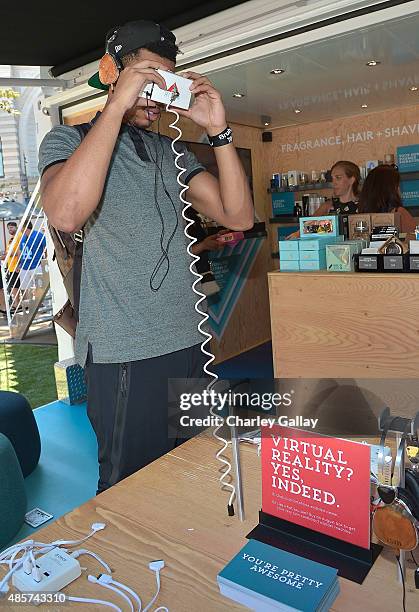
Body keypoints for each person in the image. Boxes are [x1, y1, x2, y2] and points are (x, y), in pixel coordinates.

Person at [38, 19, 254, 494]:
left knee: (195, 473)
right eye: (148, 77)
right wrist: (117, 105)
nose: (158, 95)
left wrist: (219, 132)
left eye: (167, 81)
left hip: (187, 342)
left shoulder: (167, 151)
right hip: (124, 353)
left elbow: (238, 216)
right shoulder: (69, 142)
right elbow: (66, 212)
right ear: (112, 72)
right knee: (127, 486)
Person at [287, 160, 360, 238]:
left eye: (338, 178)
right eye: (332, 178)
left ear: (352, 180)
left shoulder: (362, 205)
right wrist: (297, 234)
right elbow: (306, 228)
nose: (334, 182)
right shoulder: (327, 206)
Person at [358, 164, 416, 234]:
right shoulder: (399, 213)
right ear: (391, 189)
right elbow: (415, 241)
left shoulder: (359, 219)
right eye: (398, 186)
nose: (399, 190)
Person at [19, 222, 46, 293]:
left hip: (36, 265)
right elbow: (20, 251)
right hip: (24, 266)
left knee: (39, 286)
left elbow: (46, 247)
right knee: (25, 288)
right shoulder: (23, 237)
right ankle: (29, 303)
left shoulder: (38, 235)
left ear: (25, 227)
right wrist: (19, 264)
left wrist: (46, 260)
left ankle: (42, 303)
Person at [4, 221, 22, 308]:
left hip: (16, 266)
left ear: (16, 227)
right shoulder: (11, 239)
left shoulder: (19, 236)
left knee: (15, 286)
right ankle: (18, 303)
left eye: (11, 227)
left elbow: (20, 251)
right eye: (8, 228)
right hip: (11, 266)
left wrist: (18, 264)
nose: (9, 229)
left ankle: (16, 304)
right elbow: (8, 252)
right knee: (14, 286)